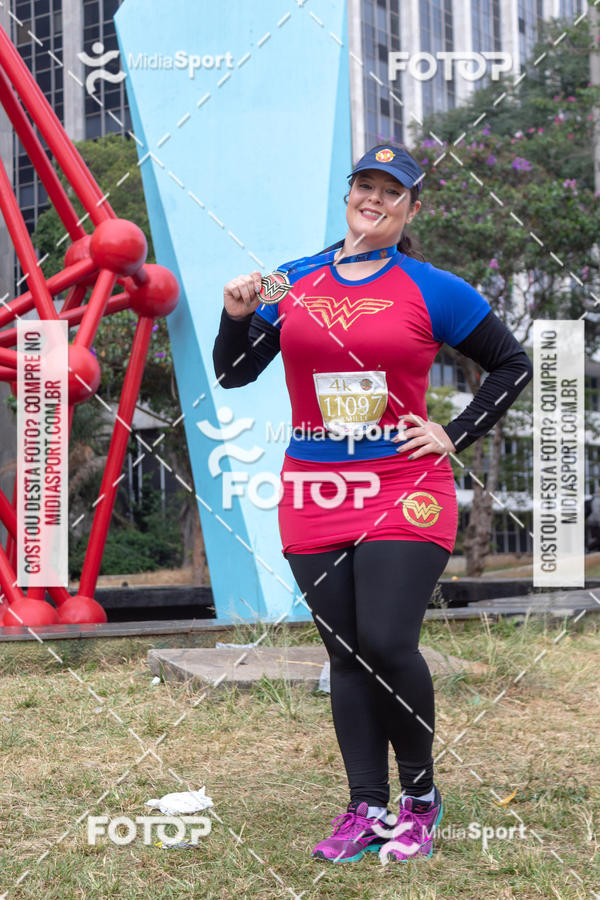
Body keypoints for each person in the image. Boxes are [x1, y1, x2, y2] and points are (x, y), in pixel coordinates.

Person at [212, 143, 533, 864]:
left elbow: (512, 365)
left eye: (394, 191)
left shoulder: (435, 288)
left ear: (410, 208)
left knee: (388, 642)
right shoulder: (289, 282)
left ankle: (419, 800)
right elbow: (234, 374)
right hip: (314, 490)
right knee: (347, 652)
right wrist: (236, 314)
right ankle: (365, 806)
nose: (375, 199)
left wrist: (453, 433)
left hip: (402, 487)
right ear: (349, 194)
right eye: (366, 185)